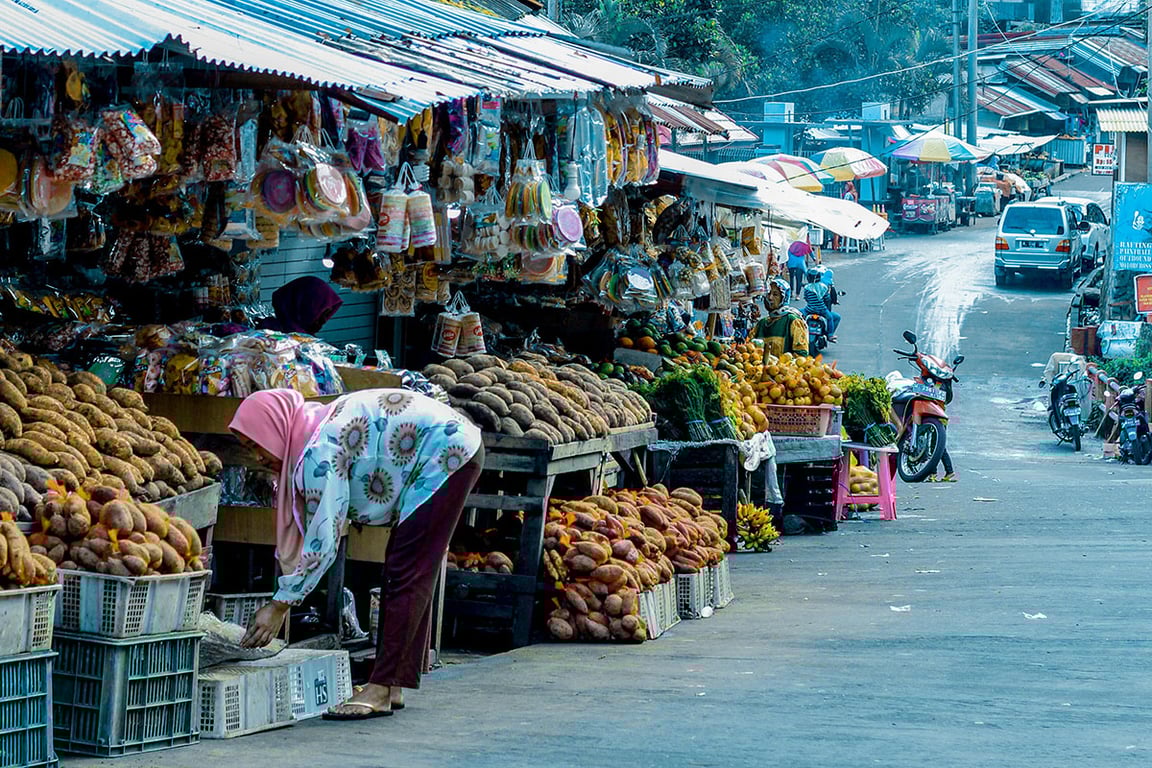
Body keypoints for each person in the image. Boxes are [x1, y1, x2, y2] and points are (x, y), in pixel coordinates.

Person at [230, 387, 484, 720]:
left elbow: (324, 538)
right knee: (402, 569)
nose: (258, 457)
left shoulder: (318, 451)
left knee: (407, 571)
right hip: (448, 449)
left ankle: (380, 688)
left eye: (255, 443)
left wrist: (280, 604)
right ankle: (392, 685)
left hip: (447, 454)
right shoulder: (313, 429)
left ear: (275, 427)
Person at [259, 276, 344, 335]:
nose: (322, 321)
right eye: (320, 313)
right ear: (304, 308)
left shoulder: (305, 339)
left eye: (326, 314)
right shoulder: (270, 336)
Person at [753, 278, 809, 361]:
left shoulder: (793, 321)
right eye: (768, 294)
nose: (770, 298)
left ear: (784, 298)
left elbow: (801, 354)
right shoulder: (762, 323)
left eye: (775, 294)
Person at [802, 268, 840, 342]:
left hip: (809, 309)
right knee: (830, 318)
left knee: (798, 315)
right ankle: (830, 335)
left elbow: (806, 298)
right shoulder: (823, 287)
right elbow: (827, 298)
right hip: (822, 310)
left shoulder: (807, 287)